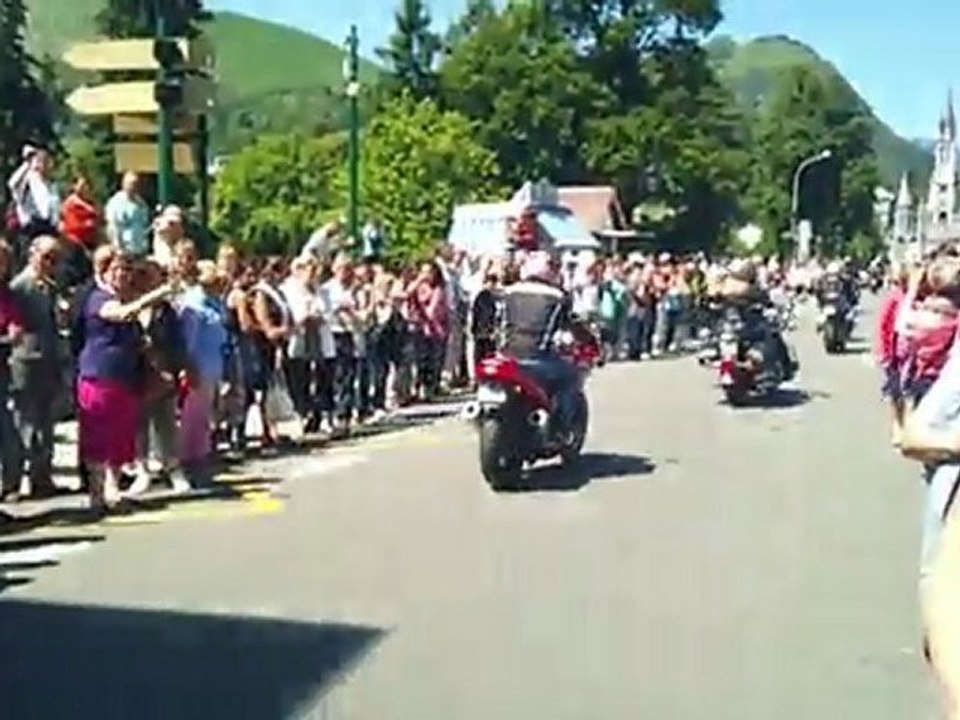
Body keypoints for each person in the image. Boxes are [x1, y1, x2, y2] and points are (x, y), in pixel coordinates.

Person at [76, 251, 176, 512]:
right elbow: (120, 314)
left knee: (120, 438)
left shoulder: (125, 298)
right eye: (117, 269)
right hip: (99, 375)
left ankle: (113, 489)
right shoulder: (100, 299)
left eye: (127, 269)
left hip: (126, 377)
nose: (123, 274)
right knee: (98, 436)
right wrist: (156, 295)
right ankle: (97, 494)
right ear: (105, 272)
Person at [9, 236, 65, 498]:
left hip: (49, 358)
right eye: (46, 258)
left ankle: (42, 476)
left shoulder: (51, 285)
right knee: (26, 421)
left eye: (55, 259)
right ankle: (19, 477)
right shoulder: (20, 286)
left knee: (46, 421)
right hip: (26, 359)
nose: (51, 264)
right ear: (33, 255)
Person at [499, 251, 579, 427]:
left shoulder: (508, 292)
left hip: (506, 355)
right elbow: (571, 324)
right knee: (571, 375)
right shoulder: (557, 296)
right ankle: (563, 426)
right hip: (539, 357)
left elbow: (494, 321)